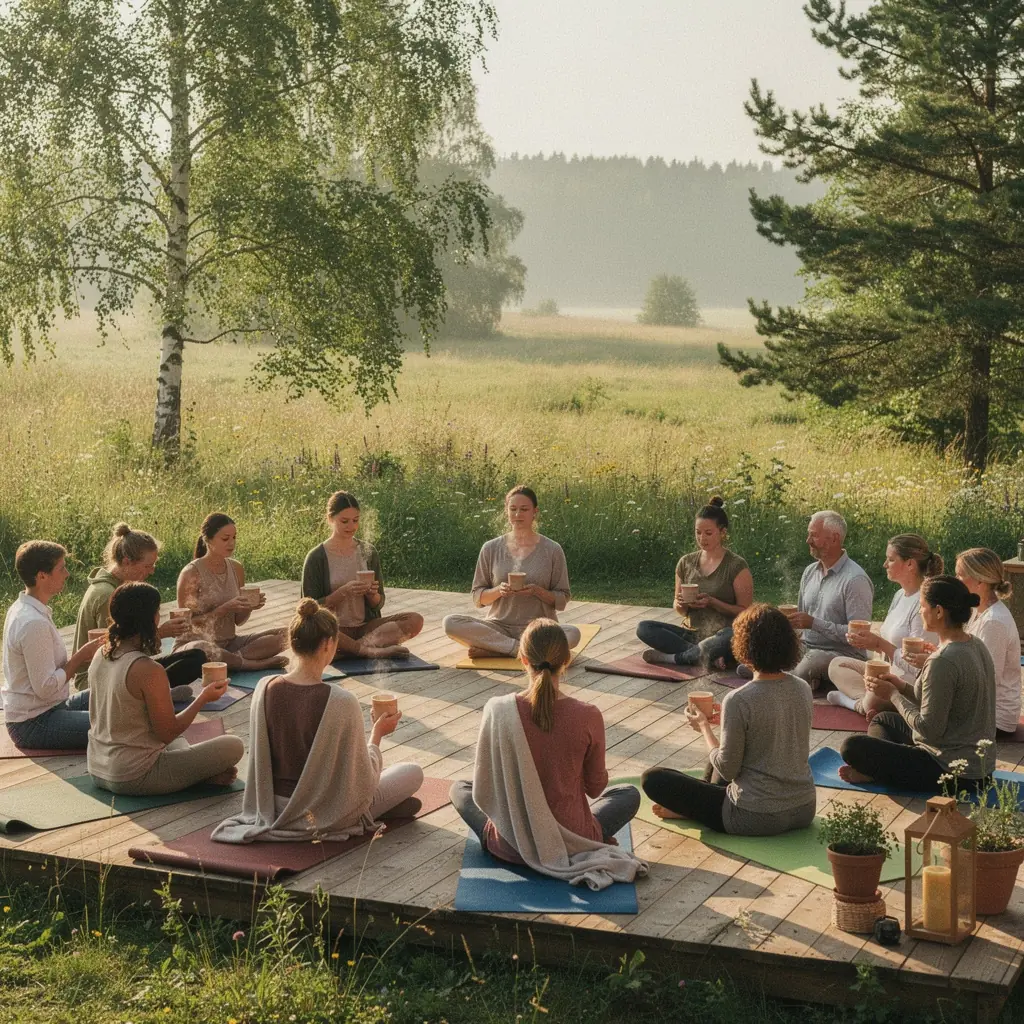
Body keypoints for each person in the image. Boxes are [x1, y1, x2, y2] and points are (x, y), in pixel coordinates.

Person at [450, 619, 646, 888]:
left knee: (460, 788)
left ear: (522, 659)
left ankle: (516, 839)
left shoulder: (497, 709)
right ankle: (568, 836)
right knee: (628, 794)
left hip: (510, 843)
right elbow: (595, 787)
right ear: (567, 661)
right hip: (572, 841)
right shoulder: (588, 715)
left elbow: (486, 785)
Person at [211, 599, 424, 843]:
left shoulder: (264, 687)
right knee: (412, 773)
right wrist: (377, 733)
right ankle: (370, 814)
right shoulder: (341, 700)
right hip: (323, 813)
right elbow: (363, 781)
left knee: (387, 777)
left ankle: (377, 812)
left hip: (273, 807)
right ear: (327, 644)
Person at [642, 604, 816, 835]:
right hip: (804, 808)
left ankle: (693, 810)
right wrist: (727, 722)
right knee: (724, 748)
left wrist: (704, 727)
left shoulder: (739, 699)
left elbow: (727, 770)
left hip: (755, 815)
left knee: (653, 779)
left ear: (744, 646)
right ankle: (697, 808)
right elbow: (771, 725)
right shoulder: (803, 688)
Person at [839, 575, 996, 793]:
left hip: (954, 772)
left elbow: (928, 729)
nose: (920, 611)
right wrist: (901, 686)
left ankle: (879, 770)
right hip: (980, 767)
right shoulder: (976, 645)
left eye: (922, 606)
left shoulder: (943, 660)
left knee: (852, 747)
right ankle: (888, 765)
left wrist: (893, 694)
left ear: (939, 611)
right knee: (882, 720)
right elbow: (940, 703)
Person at [87, 582, 244, 795]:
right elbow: (167, 734)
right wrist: (203, 698)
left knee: (180, 742)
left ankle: (200, 774)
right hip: (134, 775)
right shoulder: (146, 669)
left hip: (98, 767)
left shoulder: (101, 653)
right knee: (233, 746)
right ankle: (199, 775)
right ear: (151, 618)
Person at [443, 486, 581, 658]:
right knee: (451, 623)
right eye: (513, 509)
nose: (517, 514)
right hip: (498, 627)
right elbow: (478, 597)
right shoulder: (490, 548)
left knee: (573, 634)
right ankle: (520, 650)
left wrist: (537, 591)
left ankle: (497, 649)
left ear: (535, 512)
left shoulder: (552, 550)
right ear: (506, 511)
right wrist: (498, 591)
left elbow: (562, 599)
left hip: (538, 629)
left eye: (524, 509)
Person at [72, 522, 205, 695]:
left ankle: (156, 693)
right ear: (127, 562)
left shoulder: (119, 587)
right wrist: (159, 633)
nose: (151, 572)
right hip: (100, 677)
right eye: (147, 566)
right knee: (172, 670)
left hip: (125, 664)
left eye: (154, 565)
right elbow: (114, 650)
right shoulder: (108, 595)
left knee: (195, 657)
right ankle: (154, 698)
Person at [1, 541, 105, 749]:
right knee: (116, 724)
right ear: (41, 576)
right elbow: (46, 688)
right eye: (61, 568)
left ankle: (159, 698)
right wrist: (79, 657)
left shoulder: (28, 608)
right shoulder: (32, 623)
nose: (66, 574)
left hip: (51, 707)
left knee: (112, 693)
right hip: (34, 723)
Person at [826, 535, 942, 717]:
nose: (885, 564)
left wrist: (879, 644)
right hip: (887, 673)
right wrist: (868, 641)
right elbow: (886, 646)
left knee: (875, 696)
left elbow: (919, 668)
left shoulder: (924, 605)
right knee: (837, 665)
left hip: (908, 684)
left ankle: (858, 704)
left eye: (890, 559)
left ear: (910, 564)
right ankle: (865, 701)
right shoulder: (899, 595)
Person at [300, 491, 423, 659]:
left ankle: (354, 648)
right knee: (316, 630)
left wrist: (372, 595)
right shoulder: (316, 557)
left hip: (365, 628)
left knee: (415, 620)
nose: (351, 526)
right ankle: (366, 649)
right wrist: (343, 592)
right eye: (344, 521)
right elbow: (308, 611)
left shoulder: (368, 552)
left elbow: (378, 604)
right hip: (333, 629)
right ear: (330, 519)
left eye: (355, 520)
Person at [636, 497, 753, 670]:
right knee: (644, 628)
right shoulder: (686, 562)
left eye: (708, 533)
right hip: (691, 634)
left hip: (723, 635)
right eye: (698, 532)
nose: (702, 538)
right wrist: (681, 603)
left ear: (722, 532)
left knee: (732, 635)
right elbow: (680, 609)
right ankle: (705, 657)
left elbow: (746, 613)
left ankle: (674, 658)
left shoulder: (736, 565)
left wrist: (713, 602)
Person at [174, 513, 286, 670]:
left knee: (285, 635)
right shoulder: (191, 573)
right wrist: (223, 609)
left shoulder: (236, 568)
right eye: (225, 539)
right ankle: (254, 664)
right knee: (203, 648)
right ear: (207, 539)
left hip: (230, 644)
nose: (231, 543)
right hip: (195, 646)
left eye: (234, 537)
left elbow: (239, 621)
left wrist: (248, 606)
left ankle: (231, 661)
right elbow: (185, 625)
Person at [783, 510, 873, 690]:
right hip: (806, 648)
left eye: (814, 535)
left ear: (834, 538)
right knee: (760, 652)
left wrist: (815, 623)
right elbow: (801, 623)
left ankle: (789, 677)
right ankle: (805, 678)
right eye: (809, 534)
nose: (808, 540)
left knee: (812, 663)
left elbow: (858, 637)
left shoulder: (855, 580)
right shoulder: (809, 572)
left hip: (841, 654)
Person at [955, 548, 1021, 739]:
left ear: (979, 581)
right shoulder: (978, 610)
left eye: (960, 575)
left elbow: (986, 679)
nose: (956, 580)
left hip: (994, 718)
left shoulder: (994, 622)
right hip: (979, 709)